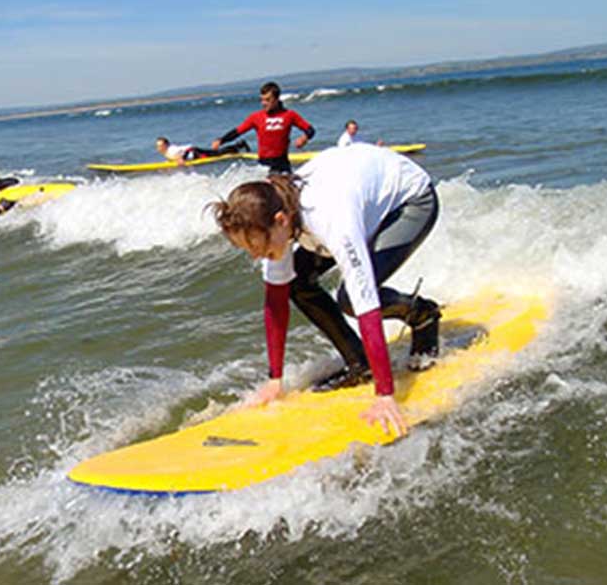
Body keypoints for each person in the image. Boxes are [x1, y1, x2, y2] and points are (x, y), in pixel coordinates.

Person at [208, 143, 441, 436]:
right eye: (248, 249)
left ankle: (423, 315)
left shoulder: (331, 218)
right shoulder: (274, 216)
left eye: (258, 246)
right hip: (358, 192)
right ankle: (360, 364)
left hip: (409, 201)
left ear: (281, 221)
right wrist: (274, 381)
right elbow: (276, 300)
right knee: (297, 283)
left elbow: (365, 301)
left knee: (351, 299)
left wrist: (385, 396)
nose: (256, 255)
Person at [211, 81, 315, 173]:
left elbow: (310, 130)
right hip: (263, 165)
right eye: (262, 100)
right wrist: (221, 140)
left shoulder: (290, 115)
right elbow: (238, 131)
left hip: (282, 163)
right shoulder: (256, 117)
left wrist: (304, 138)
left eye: (267, 100)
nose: (263, 103)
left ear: (276, 99)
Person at [155, 136, 249, 167]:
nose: (159, 148)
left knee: (218, 154)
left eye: (161, 145)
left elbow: (184, 151)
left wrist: (181, 159)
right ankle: (238, 145)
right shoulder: (167, 151)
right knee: (217, 153)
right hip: (194, 153)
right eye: (158, 146)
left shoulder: (171, 150)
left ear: (166, 145)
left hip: (196, 153)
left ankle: (239, 145)